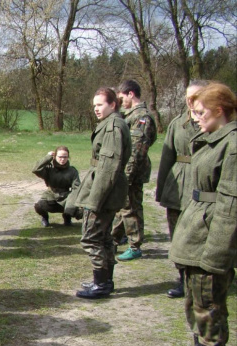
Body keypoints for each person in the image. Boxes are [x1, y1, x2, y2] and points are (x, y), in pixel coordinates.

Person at [168, 82, 236, 346]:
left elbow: (230, 205)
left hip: (211, 235)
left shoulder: (232, 144)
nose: (195, 117)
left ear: (219, 110)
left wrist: (218, 252)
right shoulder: (212, 138)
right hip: (197, 229)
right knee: (195, 298)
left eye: (200, 112)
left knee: (209, 301)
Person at [75, 87, 131, 299]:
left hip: (103, 192)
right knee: (105, 238)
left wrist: (94, 201)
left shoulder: (113, 127)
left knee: (91, 238)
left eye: (100, 105)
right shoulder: (111, 124)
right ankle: (105, 281)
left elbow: (108, 167)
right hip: (107, 189)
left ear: (113, 104)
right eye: (94, 106)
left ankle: (101, 284)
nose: (96, 109)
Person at [156, 81, 207, 298]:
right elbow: (167, 158)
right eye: (187, 97)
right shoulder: (177, 124)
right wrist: (161, 190)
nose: (189, 101)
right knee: (177, 234)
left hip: (203, 184)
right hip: (178, 183)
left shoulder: (214, 123)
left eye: (195, 96)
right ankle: (182, 279)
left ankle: (203, 278)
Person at [111, 80, 157, 261]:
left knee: (131, 208)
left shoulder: (141, 117)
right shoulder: (129, 115)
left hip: (133, 171)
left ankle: (135, 246)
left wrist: (127, 175)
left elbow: (137, 150)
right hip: (125, 169)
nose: (120, 101)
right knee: (122, 207)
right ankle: (113, 239)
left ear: (131, 94)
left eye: (122, 97)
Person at [32, 147, 82, 227]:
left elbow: (77, 188)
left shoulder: (72, 171)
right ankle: (45, 217)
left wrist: (71, 204)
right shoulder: (49, 169)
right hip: (51, 196)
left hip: (66, 198)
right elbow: (36, 170)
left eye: (65, 157)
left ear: (68, 157)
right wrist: (48, 157)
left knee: (77, 211)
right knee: (39, 206)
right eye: (60, 157)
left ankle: (67, 217)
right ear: (55, 157)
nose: (62, 159)